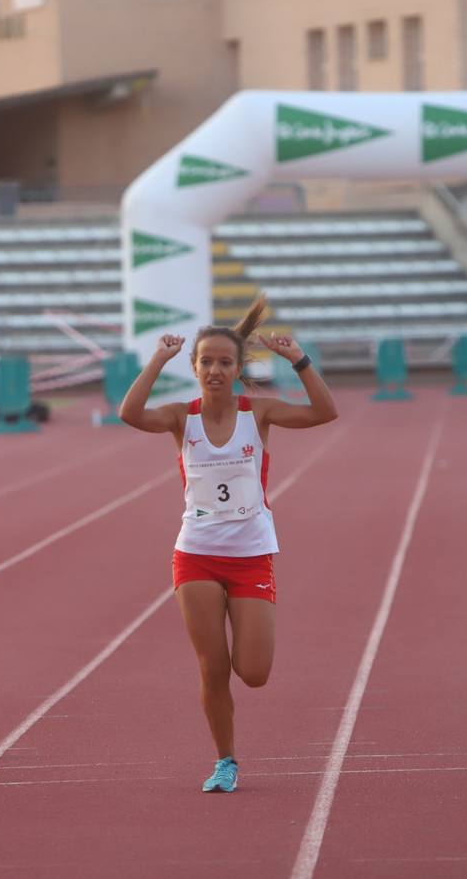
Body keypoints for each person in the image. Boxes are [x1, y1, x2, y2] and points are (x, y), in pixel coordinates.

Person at [119, 296, 338, 793]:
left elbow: (325, 412)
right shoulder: (181, 418)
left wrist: (298, 359)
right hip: (194, 553)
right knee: (212, 667)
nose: (214, 370)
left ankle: (229, 747)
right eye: (206, 362)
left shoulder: (257, 415)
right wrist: (158, 359)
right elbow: (130, 413)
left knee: (254, 673)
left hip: (250, 554)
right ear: (194, 368)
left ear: (238, 369)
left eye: (224, 362)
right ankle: (225, 761)